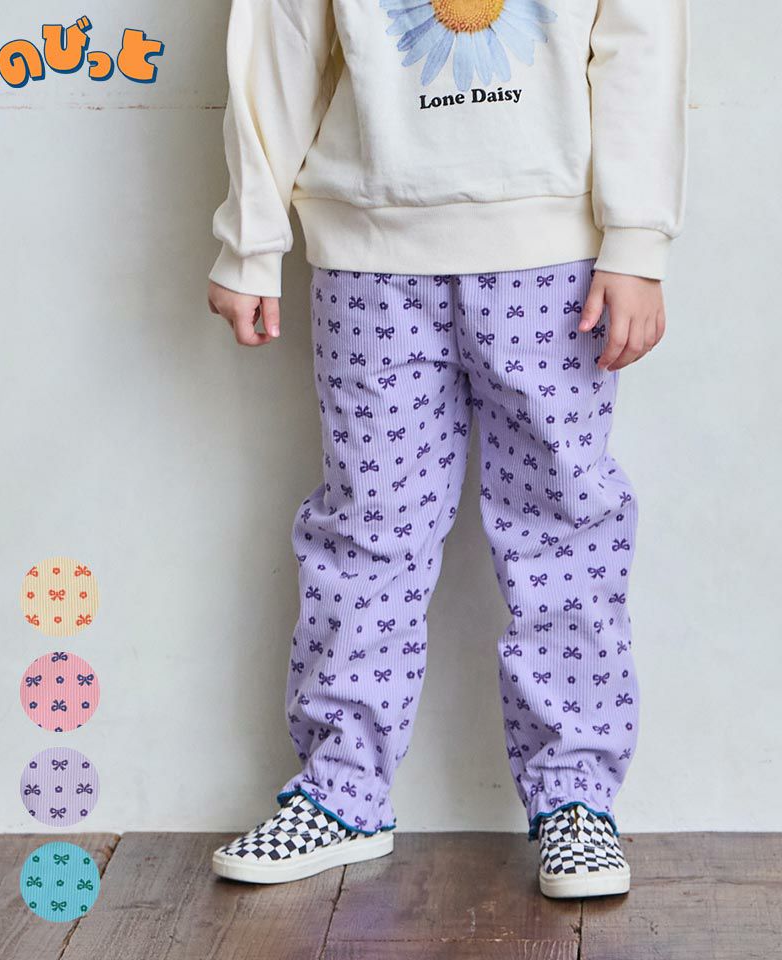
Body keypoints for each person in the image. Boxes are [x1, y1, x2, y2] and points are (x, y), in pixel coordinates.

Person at [206, 0, 688, 899]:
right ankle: (342, 789)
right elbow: (278, 40)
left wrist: (636, 237)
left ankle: (576, 797)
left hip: (556, 256)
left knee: (565, 532)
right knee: (367, 530)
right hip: (369, 251)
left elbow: (639, 36)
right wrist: (250, 242)